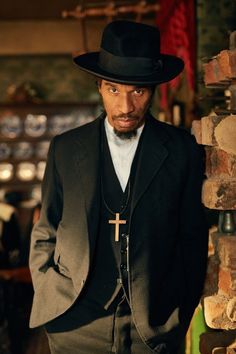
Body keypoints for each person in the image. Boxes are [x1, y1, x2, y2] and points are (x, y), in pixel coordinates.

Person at [29, 20, 209, 354]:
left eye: (137, 92)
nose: (125, 107)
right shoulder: (66, 149)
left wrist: (177, 310)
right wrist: (48, 288)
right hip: (73, 323)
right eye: (114, 90)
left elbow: (193, 239)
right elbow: (46, 229)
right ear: (99, 86)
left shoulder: (182, 149)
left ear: (153, 90)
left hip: (151, 327)